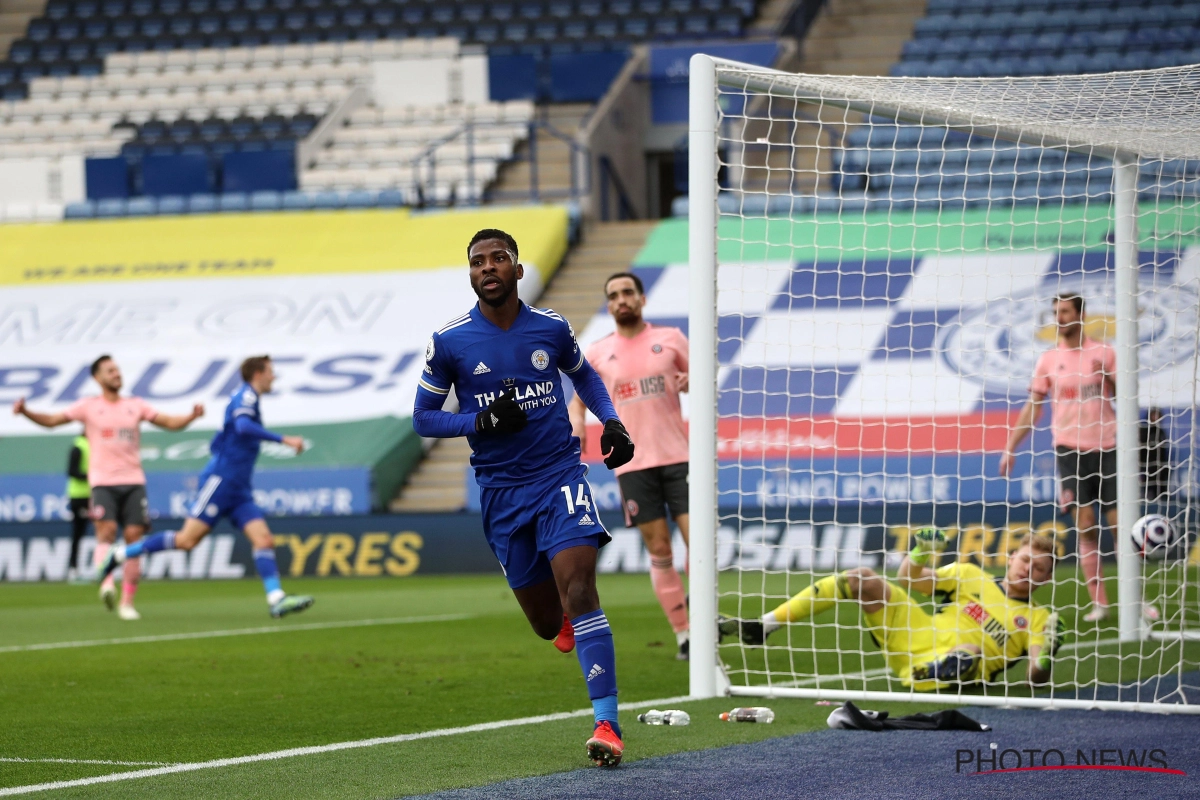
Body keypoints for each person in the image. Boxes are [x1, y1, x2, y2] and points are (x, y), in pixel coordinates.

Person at [412, 229, 635, 767]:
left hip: (560, 474)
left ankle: (607, 723)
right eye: (477, 262)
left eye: (498, 259)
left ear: (516, 269)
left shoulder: (552, 327)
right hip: (501, 491)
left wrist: (612, 421)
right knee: (544, 622)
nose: (487, 268)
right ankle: (559, 618)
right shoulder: (450, 341)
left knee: (581, 588)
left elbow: (586, 376)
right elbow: (423, 416)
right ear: (471, 274)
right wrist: (480, 420)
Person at [97, 356, 314, 619]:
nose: (273, 377)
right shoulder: (246, 396)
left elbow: (231, 432)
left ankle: (276, 599)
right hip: (221, 482)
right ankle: (120, 554)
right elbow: (243, 426)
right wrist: (284, 439)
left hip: (239, 489)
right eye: (270, 372)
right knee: (187, 540)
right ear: (258, 373)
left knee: (263, 539)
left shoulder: (247, 398)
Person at [720, 529, 1065, 691]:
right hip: (915, 630)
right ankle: (764, 626)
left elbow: (1035, 677)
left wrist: (1046, 654)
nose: (1027, 570)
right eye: (1025, 560)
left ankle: (924, 675)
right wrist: (919, 553)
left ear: (1048, 578)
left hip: (955, 662)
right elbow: (909, 579)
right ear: (1011, 558)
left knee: (969, 652)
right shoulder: (969, 574)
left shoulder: (1039, 618)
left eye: (1038, 568)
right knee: (862, 579)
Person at [999, 293, 1157, 623]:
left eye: (1066, 312)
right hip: (1069, 450)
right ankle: (1099, 602)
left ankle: (1136, 600)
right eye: (1056, 312)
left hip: (1110, 446)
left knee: (1119, 526)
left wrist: (1111, 376)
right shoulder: (1048, 359)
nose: (1060, 318)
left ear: (1081, 314)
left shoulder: (1105, 352)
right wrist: (1010, 447)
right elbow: (1034, 408)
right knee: (1085, 525)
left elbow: (1124, 395)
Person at [13, 354, 203, 620]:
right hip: (103, 483)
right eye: (110, 371)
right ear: (97, 378)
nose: (116, 374)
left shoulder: (134, 405)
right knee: (107, 532)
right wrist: (26, 412)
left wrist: (191, 417)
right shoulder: (88, 407)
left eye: (117, 370)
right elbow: (53, 420)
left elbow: (169, 422)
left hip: (134, 482)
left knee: (134, 538)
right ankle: (106, 584)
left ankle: (127, 602)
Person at [568, 272, 691, 660]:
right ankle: (685, 634)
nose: (621, 299)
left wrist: (692, 380)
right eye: (613, 295)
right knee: (658, 548)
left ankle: (706, 617)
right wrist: (578, 427)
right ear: (608, 305)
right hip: (632, 465)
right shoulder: (598, 352)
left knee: (700, 546)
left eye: (627, 292)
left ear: (641, 299)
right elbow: (579, 397)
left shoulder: (670, 339)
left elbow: (700, 379)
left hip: (679, 457)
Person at [65, 432, 91, 583]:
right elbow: (71, 471)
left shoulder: (95, 445)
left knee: (105, 529)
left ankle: (103, 566)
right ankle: (73, 570)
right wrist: (91, 475)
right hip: (79, 496)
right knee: (78, 533)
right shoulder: (79, 446)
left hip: (94, 495)